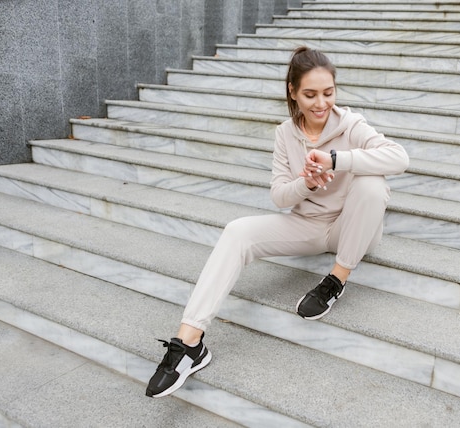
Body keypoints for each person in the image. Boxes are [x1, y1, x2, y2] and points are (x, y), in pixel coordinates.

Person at [145, 46, 410, 398]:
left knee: (373, 184)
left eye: (328, 93)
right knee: (237, 231)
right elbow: (279, 196)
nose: (321, 104)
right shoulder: (285, 133)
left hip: (354, 229)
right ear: (293, 92)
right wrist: (307, 183)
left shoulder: (351, 125)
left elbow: (399, 157)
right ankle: (190, 342)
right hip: (310, 227)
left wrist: (336, 160)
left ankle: (336, 279)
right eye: (310, 94)